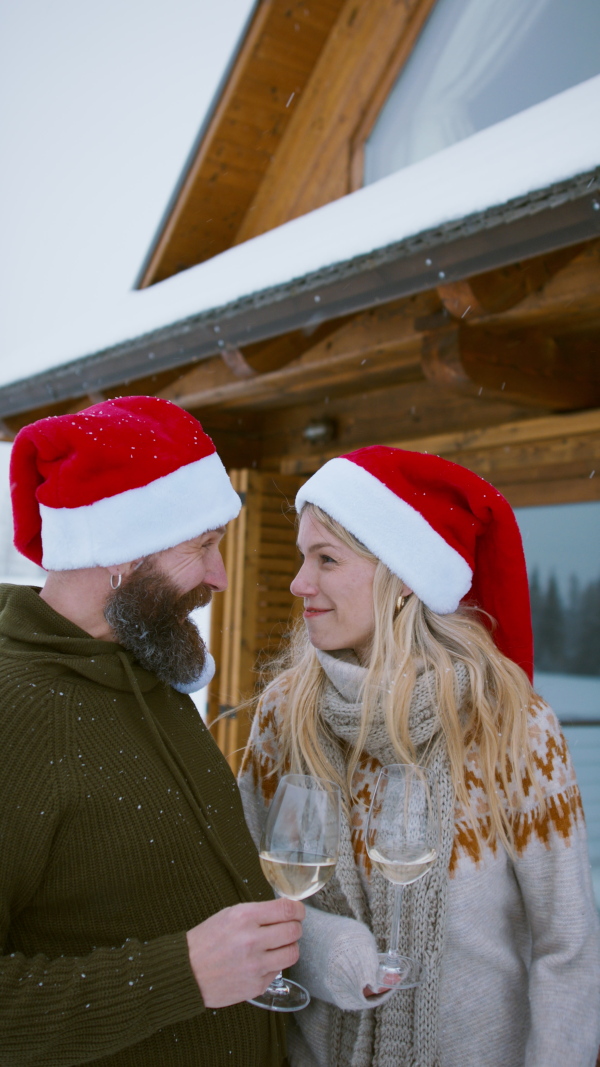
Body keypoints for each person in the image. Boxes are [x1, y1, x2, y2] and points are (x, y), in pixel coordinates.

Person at [239, 444, 600, 1067]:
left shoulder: (509, 725)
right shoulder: (284, 714)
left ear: (403, 575)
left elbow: (566, 946)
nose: (300, 584)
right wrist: (325, 952)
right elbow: (246, 886)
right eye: (302, 558)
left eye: (326, 559)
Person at [0, 395, 304, 1067]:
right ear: (120, 553)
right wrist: (184, 974)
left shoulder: (144, 671)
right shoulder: (13, 711)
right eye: (204, 546)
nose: (222, 576)